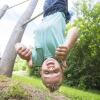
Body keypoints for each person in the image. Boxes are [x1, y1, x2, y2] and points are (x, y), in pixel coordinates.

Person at [15, 0, 78, 92]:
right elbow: (74, 30)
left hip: (46, 13)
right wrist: (67, 46)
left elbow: (18, 45)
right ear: (61, 68)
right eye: (56, 71)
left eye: (47, 72)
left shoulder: (37, 60)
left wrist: (19, 49)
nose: (51, 68)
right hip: (58, 8)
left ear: (41, 71)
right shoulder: (61, 55)